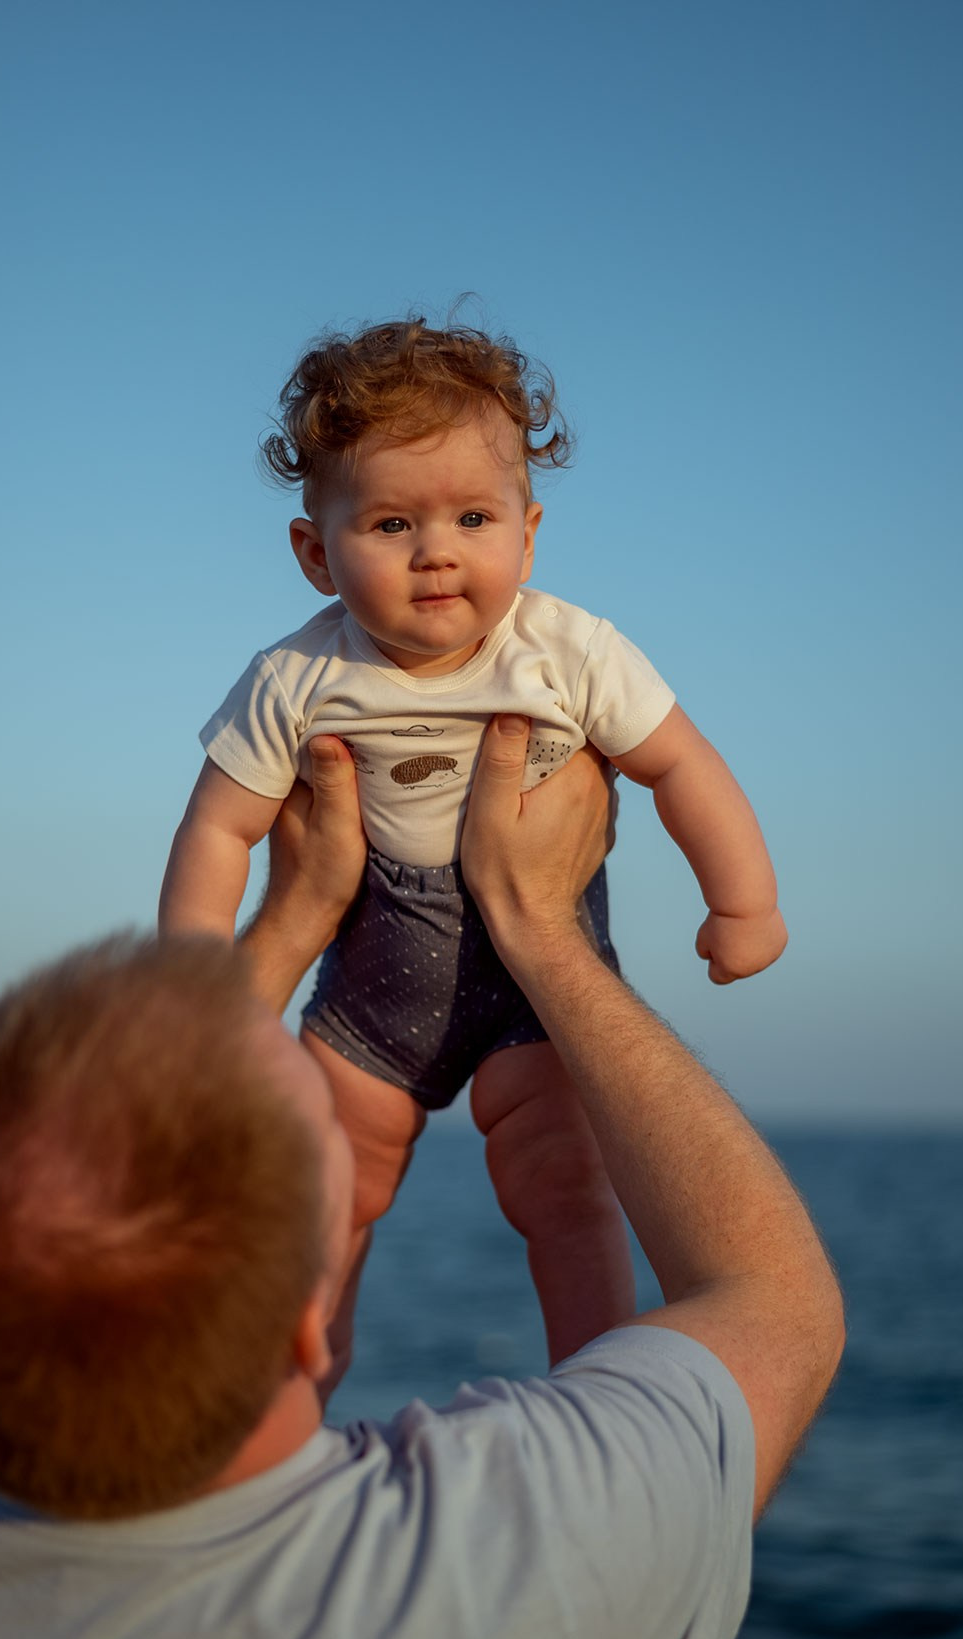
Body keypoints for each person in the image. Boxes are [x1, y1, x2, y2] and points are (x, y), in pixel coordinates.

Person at [0, 723, 842, 1639]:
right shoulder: (512, 1588)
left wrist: (290, 917)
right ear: (304, 1319)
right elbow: (777, 1302)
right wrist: (544, 930)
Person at [160, 317, 788, 1373]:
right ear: (317, 553)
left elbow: (682, 764)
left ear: (529, 535)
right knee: (326, 1194)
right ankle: (297, 1393)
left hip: (539, 996)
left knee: (568, 1190)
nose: (437, 549)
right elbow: (219, 828)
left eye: (473, 516)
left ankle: (595, 1394)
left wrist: (743, 902)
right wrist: (188, 977)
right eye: (393, 521)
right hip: (372, 996)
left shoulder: (568, 650)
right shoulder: (295, 678)